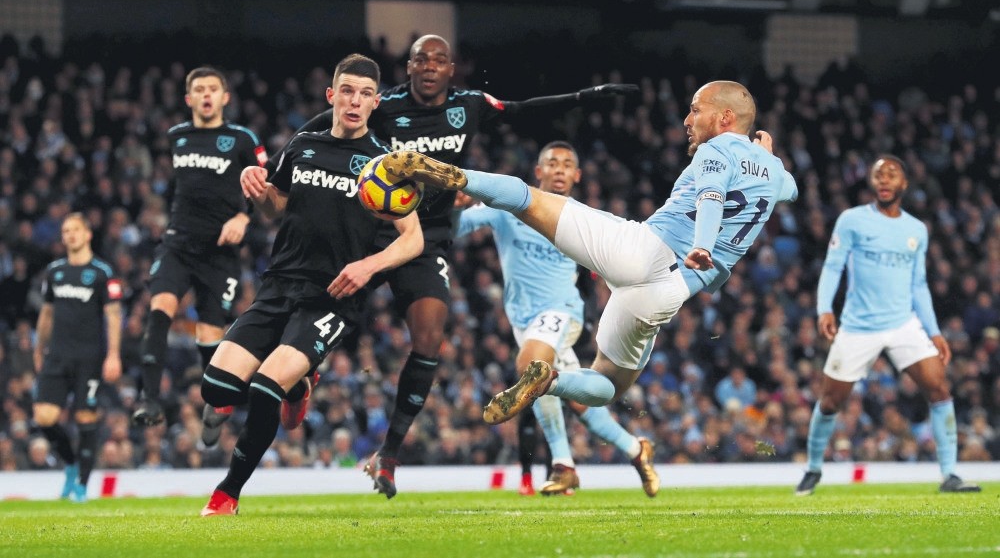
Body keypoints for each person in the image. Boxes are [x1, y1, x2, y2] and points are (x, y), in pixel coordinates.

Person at [280, 34, 637, 499]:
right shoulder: (384, 105)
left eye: (439, 60)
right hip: (371, 229)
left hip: (428, 238)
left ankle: (388, 456)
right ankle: (302, 374)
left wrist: (583, 98)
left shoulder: (469, 105)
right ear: (407, 67)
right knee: (334, 308)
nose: (430, 67)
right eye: (421, 60)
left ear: (452, 69)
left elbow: (525, 107)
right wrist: (274, 156)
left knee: (430, 337)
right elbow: (323, 126)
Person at [381, 80, 797, 426]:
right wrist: (767, 156)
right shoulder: (774, 172)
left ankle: (447, 174)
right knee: (609, 386)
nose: (688, 120)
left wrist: (703, 244)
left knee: (529, 199)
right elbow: (790, 190)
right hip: (667, 294)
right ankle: (552, 382)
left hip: (647, 251)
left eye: (695, 110)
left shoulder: (716, 149)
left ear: (725, 118)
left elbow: (711, 196)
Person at [198, 53, 423, 516]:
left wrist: (368, 267)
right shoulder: (303, 144)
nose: (354, 101)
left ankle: (227, 494)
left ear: (375, 102)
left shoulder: (383, 164)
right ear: (332, 96)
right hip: (278, 285)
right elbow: (275, 207)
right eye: (347, 91)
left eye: (364, 94)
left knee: (264, 388)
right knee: (216, 388)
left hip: (332, 297)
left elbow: (414, 240)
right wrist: (258, 191)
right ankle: (300, 387)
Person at [454, 141, 659, 497]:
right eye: (552, 163)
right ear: (539, 172)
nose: (560, 169)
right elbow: (455, 231)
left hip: (562, 312)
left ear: (577, 175)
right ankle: (635, 449)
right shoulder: (510, 208)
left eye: (567, 164)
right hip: (523, 318)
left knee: (531, 365)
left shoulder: (581, 217)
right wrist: (456, 210)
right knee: (577, 401)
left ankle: (563, 465)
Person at [795, 155, 981, 495]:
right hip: (857, 326)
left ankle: (950, 474)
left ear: (904, 184)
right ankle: (813, 468)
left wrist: (935, 331)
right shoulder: (851, 220)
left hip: (903, 324)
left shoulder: (916, 230)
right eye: (878, 174)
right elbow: (833, 266)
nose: (884, 179)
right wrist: (824, 309)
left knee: (939, 387)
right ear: (872, 183)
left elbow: (919, 285)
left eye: (892, 174)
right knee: (830, 402)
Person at [132, 67, 269, 452]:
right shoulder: (176, 136)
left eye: (213, 89)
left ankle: (217, 403)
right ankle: (148, 398)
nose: (206, 95)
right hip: (177, 243)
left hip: (220, 253)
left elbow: (269, 187)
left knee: (209, 337)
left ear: (225, 97)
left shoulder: (243, 139)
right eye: (199, 90)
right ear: (189, 99)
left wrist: (244, 217)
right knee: (159, 309)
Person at [33, 213, 123, 502]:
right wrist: (38, 347)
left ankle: (82, 485)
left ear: (87, 234)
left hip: (89, 357)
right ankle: (71, 463)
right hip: (57, 354)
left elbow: (113, 316)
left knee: (86, 417)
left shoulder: (101, 272)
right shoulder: (54, 271)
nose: (69, 235)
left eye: (75, 230)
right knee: (44, 417)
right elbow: (46, 314)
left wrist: (113, 355)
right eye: (65, 231)